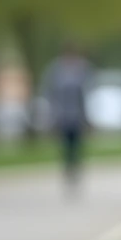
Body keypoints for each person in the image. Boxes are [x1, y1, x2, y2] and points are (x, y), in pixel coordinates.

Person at [42, 41, 92, 194]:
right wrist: (51, 114)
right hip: (62, 116)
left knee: (76, 145)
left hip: (77, 115)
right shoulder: (56, 70)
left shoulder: (82, 70)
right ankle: (67, 169)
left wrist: (87, 117)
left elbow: (86, 94)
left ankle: (75, 168)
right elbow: (50, 93)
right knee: (65, 145)